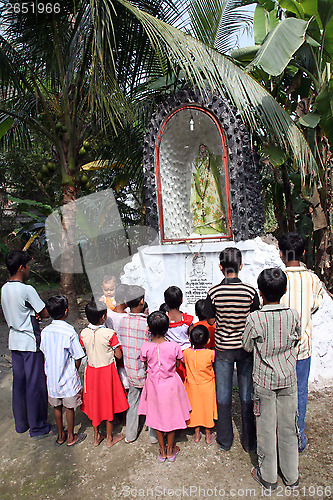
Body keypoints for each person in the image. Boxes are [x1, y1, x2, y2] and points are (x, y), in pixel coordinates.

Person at [243, 268, 301, 491]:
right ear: (284, 290)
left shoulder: (255, 318)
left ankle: (268, 477)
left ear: (260, 292)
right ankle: (291, 476)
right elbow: (296, 341)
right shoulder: (293, 314)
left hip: (264, 382)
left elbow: (247, 345)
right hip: (288, 378)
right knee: (288, 428)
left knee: (266, 429)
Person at [204, 247, 259, 452]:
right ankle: (249, 441)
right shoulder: (250, 292)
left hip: (223, 349)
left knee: (224, 396)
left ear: (221, 267)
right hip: (245, 349)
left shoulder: (214, 292)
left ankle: (225, 440)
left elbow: (210, 319)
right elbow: (254, 318)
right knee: (247, 395)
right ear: (241, 266)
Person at [278, 232, 323, 452]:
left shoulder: (277, 278)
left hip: (278, 350)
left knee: (279, 394)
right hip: (302, 348)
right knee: (300, 392)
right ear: (303, 252)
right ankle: (298, 437)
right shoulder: (313, 279)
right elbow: (315, 306)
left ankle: (279, 437)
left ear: (280, 253)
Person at [0, 250, 53, 439]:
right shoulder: (27, 290)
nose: (29, 269)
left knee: (20, 384)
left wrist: (32, 312)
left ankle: (21, 423)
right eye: (28, 266)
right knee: (35, 385)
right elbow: (45, 312)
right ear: (21, 268)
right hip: (30, 342)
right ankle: (38, 426)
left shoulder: (5, 288)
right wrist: (38, 312)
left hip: (14, 341)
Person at [137, 311, 191, 461]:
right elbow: (178, 363)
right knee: (172, 418)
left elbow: (145, 363)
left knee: (156, 418)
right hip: (171, 384)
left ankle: (162, 450)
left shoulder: (145, 347)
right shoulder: (174, 346)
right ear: (167, 328)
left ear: (149, 328)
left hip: (153, 385)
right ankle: (171, 449)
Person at [80, 299, 128, 447]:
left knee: (94, 401)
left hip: (91, 370)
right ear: (103, 317)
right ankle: (109, 438)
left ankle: (96, 436)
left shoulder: (83, 333)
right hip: (107, 371)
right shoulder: (109, 333)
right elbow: (119, 355)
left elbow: (84, 350)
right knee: (108, 402)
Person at [40, 295, 86, 447]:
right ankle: (71, 436)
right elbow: (78, 355)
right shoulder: (69, 331)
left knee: (56, 407)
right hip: (66, 377)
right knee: (70, 407)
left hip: (51, 377)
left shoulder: (45, 331)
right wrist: (75, 368)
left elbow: (44, 351)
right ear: (66, 312)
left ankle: (60, 436)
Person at [117, 285, 157, 444]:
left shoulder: (123, 321)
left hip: (131, 370)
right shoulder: (147, 323)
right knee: (152, 402)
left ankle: (130, 435)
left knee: (132, 401)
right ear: (142, 301)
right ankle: (154, 435)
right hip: (146, 371)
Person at [183, 325, 217, 444]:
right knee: (207, 409)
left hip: (192, 385)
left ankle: (196, 434)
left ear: (190, 339)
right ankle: (208, 435)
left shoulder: (186, 353)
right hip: (207, 385)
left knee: (195, 409)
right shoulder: (210, 354)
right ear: (208, 340)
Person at [190, 144, 227, 235]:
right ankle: (201, 225)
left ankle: (215, 224)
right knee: (201, 204)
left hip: (210, 185)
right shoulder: (198, 160)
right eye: (201, 148)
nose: (202, 149)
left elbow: (217, 166)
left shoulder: (211, 158)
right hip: (201, 186)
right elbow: (196, 170)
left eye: (203, 148)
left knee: (213, 203)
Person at [164, 286, 193, 382]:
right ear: (181, 300)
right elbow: (193, 336)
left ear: (165, 300)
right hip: (186, 356)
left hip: (168, 356)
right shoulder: (187, 320)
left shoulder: (163, 320)